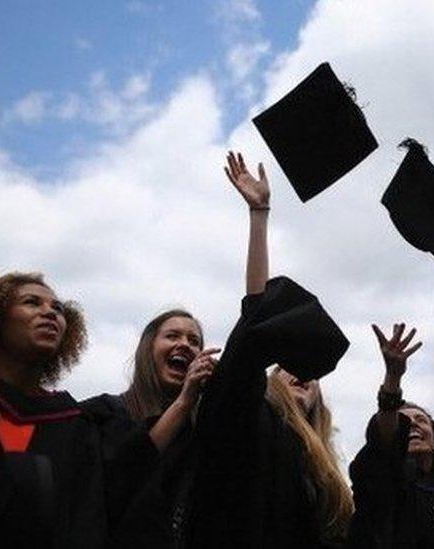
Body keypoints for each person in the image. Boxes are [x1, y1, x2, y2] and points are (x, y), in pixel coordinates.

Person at [185, 151, 353, 548]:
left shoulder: (324, 462)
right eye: (284, 368)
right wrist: (259, 217)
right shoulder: (254, 419)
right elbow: (257, 327)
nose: (299, 374)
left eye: (307, 375)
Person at [0, 271, 107, 547]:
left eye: (58, 309)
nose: (50, 313)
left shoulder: (75, 423)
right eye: (31, 302)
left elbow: (84, 525)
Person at [81, 308, 219, 548]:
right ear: (148, 349)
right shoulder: (103, 413)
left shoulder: (200, 434)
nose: (184, 345)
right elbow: (123, 475)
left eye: (194, 341)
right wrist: (184, 402)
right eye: (173, 336)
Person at [349, 322, 434, 548]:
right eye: (405, 422)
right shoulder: (382, 480)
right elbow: (383, 442)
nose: (413, 425)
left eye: (421, 420)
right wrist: (393, 377)